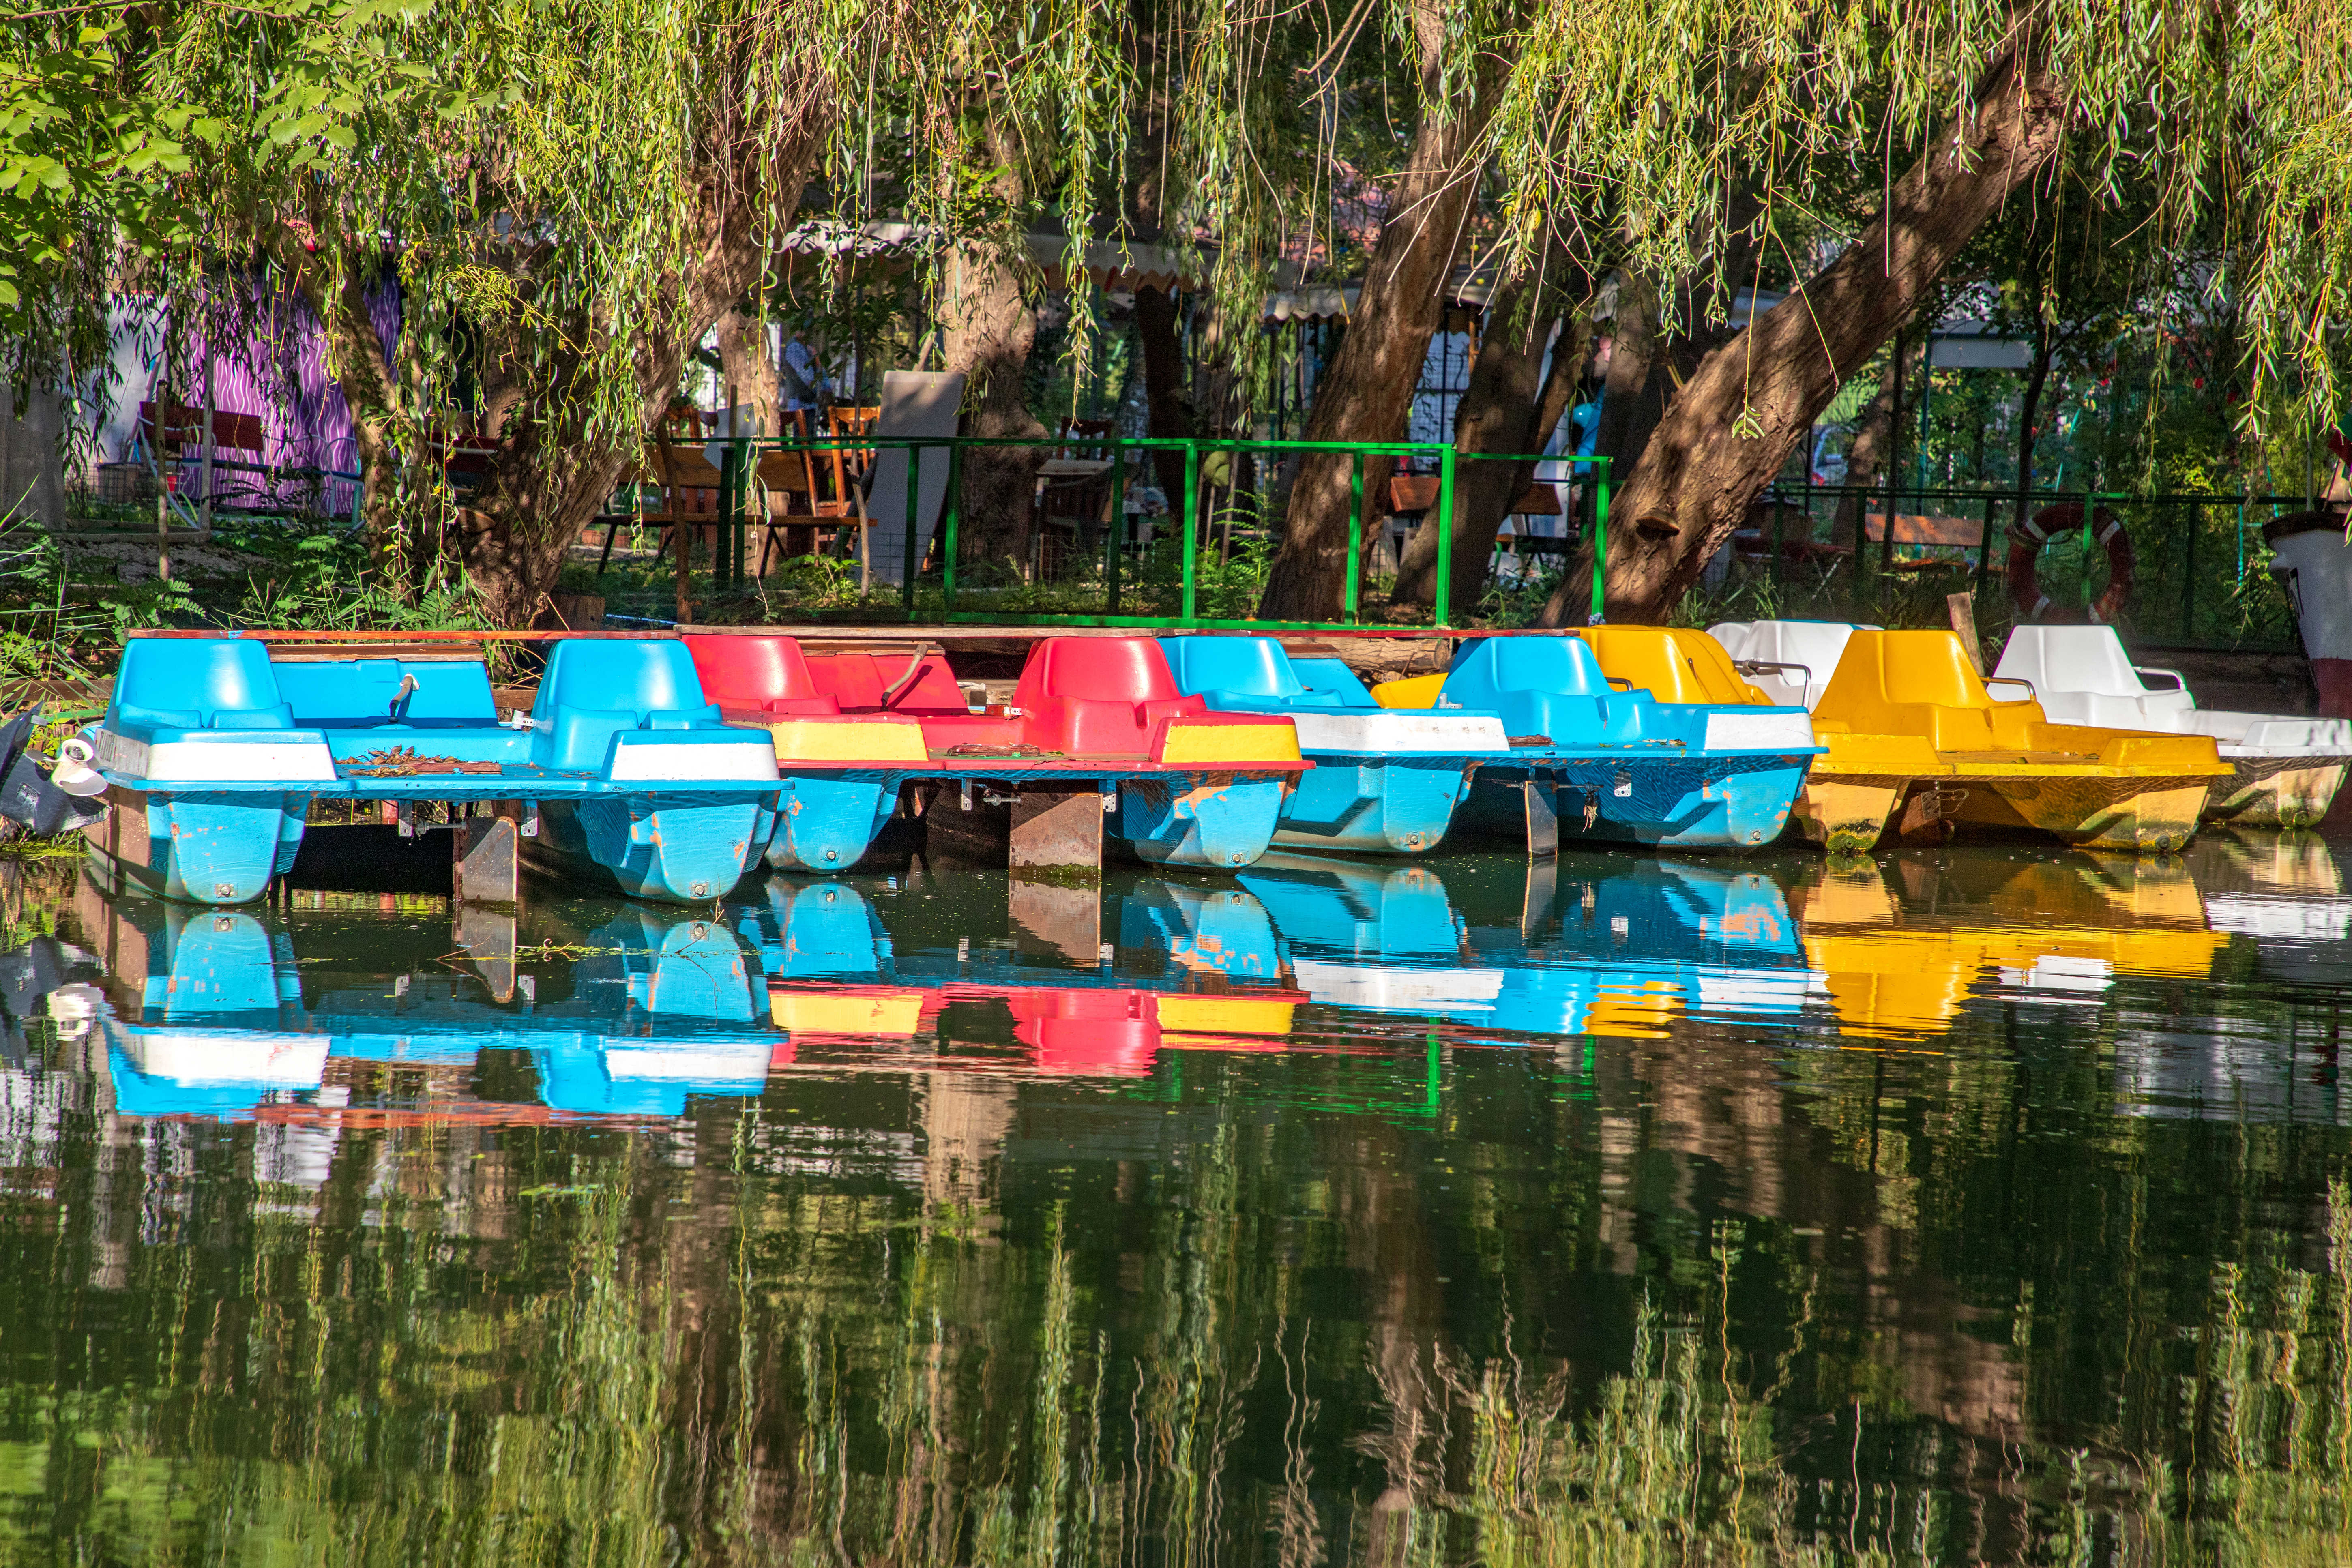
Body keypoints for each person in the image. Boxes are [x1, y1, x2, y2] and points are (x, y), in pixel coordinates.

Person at [781, 329, 833, 415]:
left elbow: (820, 368)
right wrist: (822, 390)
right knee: (801, 422)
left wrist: (827, 389)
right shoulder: (794, 347)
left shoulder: (809, 346)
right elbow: (806, 375)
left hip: (812, 400)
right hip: (800, 400)